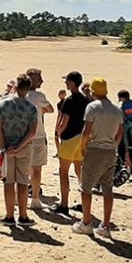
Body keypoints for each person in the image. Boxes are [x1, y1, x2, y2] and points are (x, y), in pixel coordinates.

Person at [73, 78, 124, 239]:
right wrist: (114, 145)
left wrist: (82, 146)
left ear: (93, 92)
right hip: (110, 151)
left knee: (86, 187)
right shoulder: (116, 110)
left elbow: (86, 131)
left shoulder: (92, 107)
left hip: (94, 149)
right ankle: (106, 225)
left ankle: (86, 223)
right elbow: (120, 132)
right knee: (107, 188)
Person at [0, 74, 39, 226]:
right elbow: (32, 132)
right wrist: (19, 146)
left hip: (6, 147)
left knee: (8, 182)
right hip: (24, 148)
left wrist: (5, 145)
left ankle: (9, 215)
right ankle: (23, 215)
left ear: (15, 86)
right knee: (22, 182)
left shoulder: (3, 104)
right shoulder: (31, 108)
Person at [53, 71, 89, 215]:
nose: (66, 83)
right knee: (79, 170)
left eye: (67, 81)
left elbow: (64, 121)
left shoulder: (69, 100)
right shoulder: (85, 99)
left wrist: (58, 133)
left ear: (73, 83)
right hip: (81, 138)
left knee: (64, 171)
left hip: (69, 138)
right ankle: (83, 201)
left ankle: (64, 204)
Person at [25, 67, 55, 211]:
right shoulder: (38, 96)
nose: (41, 81)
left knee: (22, 169)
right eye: (39, 79)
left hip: (21, 137)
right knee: (36, 169)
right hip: (37, 135)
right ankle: (35, 199)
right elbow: (50, 109)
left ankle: (21, 196)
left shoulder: (19, 95)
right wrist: (40, 109)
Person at [117, 90, 132, 179]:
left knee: (121, 152)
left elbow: (121, 120)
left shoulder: (123, 107)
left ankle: (122, 171)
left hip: (124, 131)